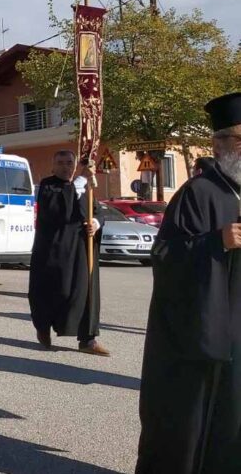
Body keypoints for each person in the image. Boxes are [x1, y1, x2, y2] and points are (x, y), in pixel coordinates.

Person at [136, 92, 241, 473]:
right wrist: (216, 242)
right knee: (192, 426)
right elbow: (165, 256)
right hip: (205, 334)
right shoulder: (196, 194)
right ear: (219, 144)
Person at [29, 150, 108, 355]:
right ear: (53, 166)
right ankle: (44, 327)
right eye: (61, 162)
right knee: (55, 291)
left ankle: (88, 339)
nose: (65, 167)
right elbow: (58, 211)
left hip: (81, 248)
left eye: (69, 163)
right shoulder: (48, 186)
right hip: (55, 250)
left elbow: (97, 211)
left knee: (86, 292)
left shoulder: (84, 187)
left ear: (74, 165)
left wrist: (96, 223)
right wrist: (80, 181)